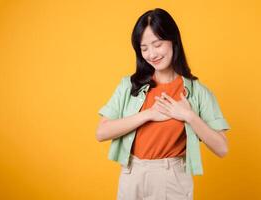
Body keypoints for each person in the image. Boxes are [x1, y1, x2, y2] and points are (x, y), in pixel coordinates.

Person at [96, 8, 231, 200]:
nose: (152, 54)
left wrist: (189, 116)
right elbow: (101, 132)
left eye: (157, 44)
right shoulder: (129, 86)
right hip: (131, 174)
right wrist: (147, 114)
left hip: (171, 177)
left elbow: (222, 148)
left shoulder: (197, 92)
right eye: (144, 48)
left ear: (173, 41)